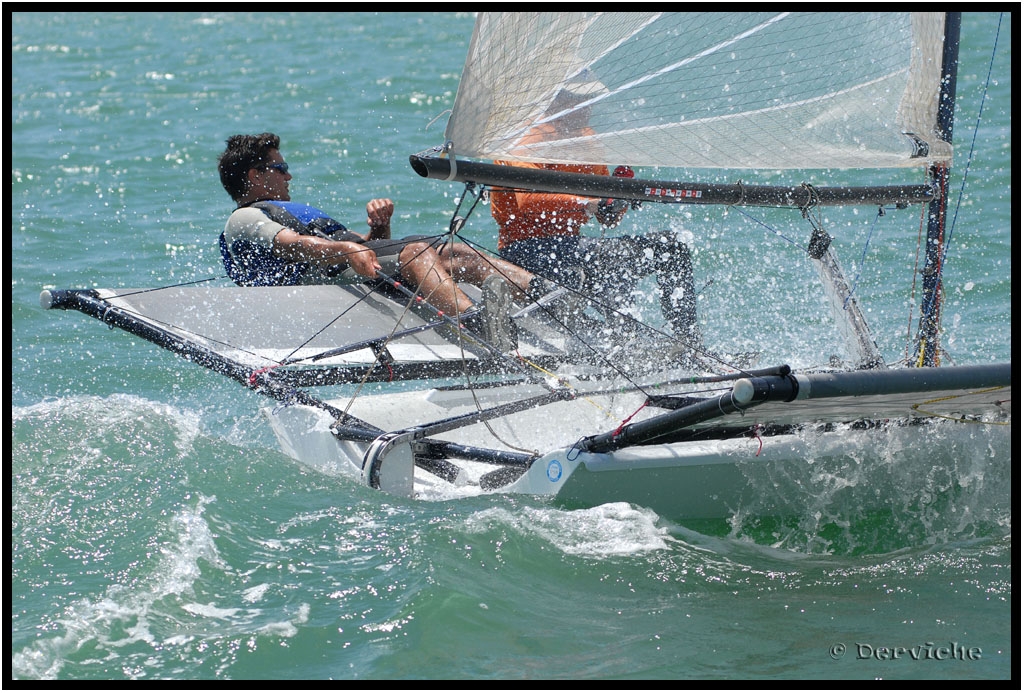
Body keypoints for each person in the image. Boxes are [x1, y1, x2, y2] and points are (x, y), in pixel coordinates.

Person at [217, 133, 556, 350]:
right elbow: (294, 245)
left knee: (457, 253)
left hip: (346, 269)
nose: (289, 175)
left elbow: (371, 252)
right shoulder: (244, 218)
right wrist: (350, 248)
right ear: (254, 176)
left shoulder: (281, 209)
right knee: (417, 250)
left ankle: (545, 295)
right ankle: (479, 324)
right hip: (321, 287)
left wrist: (377, 229)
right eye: (281, 168)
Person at [491, 85, 703, 345]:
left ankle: (689, 343)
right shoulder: (524, 139)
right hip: (526, 250)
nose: (587, 106)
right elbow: (528, 201)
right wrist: (587, 203)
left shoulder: (586, 139)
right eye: (579, 99)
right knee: (610, 255)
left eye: (590, 99)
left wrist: (616, 200)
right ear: (555, 100)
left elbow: (607, 219)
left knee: (670, 247)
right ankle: (626, 344)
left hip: (572, 247)